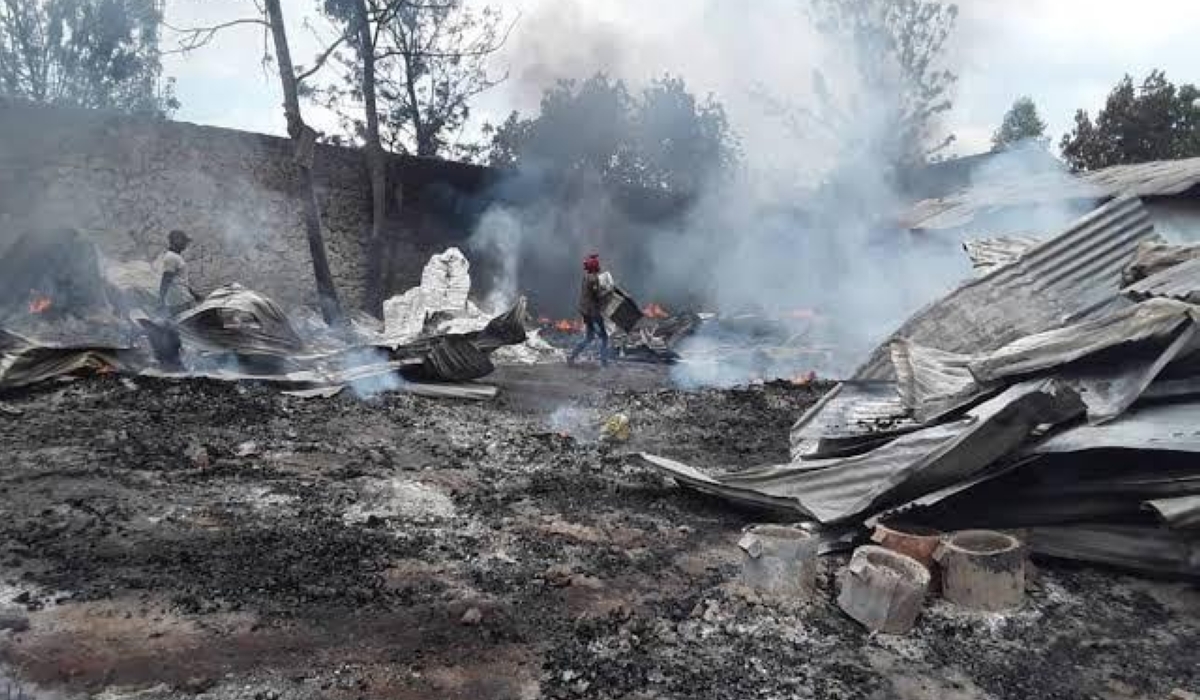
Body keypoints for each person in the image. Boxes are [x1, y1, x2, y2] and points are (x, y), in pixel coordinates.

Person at [568, 253, 609, 367]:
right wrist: (606, 292)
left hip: (585, 311)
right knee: (604, 338)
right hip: (592, 312)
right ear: (595, 267)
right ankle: (604, 362)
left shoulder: (586, 277)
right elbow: (597, 295)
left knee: (589, 337)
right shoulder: (594, 279)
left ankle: (572, 357)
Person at [157, 229, 198, 316]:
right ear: (176, 240)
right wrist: (161, 300)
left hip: (183, 299)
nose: (186, 244)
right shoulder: (171, 257)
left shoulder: (176, 257)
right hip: (178, 301)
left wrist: (194, 294)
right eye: (184, 241)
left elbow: (181, 281)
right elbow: (166, 279)